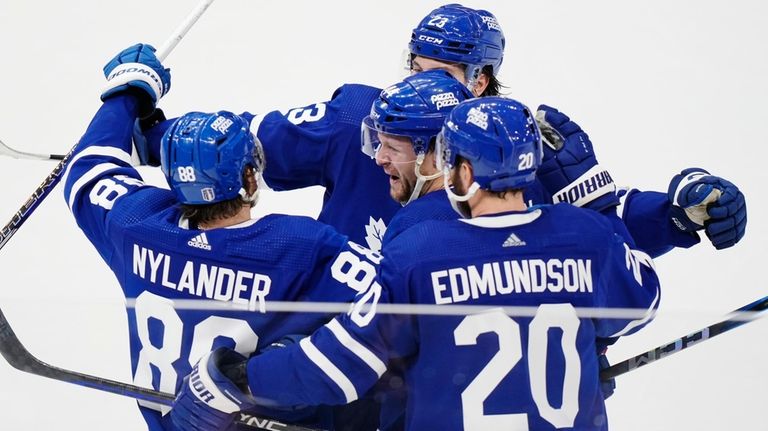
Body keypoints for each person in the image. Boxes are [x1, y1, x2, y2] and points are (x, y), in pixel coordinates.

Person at [170, 96, 662, 431]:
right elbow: (642, 302)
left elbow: (340, 364)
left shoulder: (419, 255)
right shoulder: (587, 238)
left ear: (465, 170)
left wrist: (246, 377)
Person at [140, 3, 746, 258]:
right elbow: (227, 153)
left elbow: (603, 238)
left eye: (447, 73)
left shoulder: (531, 141)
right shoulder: (358, 117)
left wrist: (677, 212)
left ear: (482, 80)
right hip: (343, 362)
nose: (424, 85)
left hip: (446, 376)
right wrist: (144, 131)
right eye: (417, 68)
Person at [63, 43, 385, 431]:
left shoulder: (133, 226)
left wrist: (128, 93)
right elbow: (400, 303)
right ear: (250, 177)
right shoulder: (301, 247)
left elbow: (88, 165)